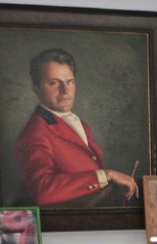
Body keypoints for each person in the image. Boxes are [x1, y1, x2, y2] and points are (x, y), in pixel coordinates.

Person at [14, 48, 139, 207]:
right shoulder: (35, 134)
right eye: (54, 83)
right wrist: (107, 175)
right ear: (36, 89)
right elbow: (42, 191)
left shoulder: (81, 124)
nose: (65, 91)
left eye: (69, 82)